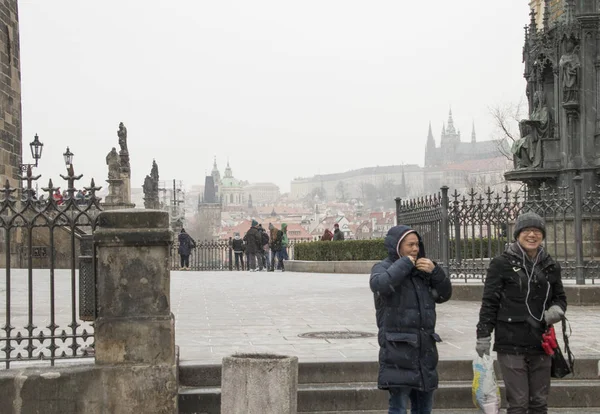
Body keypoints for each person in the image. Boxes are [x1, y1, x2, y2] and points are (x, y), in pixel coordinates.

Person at [476, 212, 567, 414]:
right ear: (517, 234)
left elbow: (560, 296)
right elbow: (490, 302)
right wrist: (483, 334)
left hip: (541, 341)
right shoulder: (501, 264)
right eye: (527, 231)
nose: (532, 235)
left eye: (537, 231)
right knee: (518, 403)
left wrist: (557, 309)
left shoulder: (551, 265)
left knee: (539, 402)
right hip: (510, 341)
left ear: (542, 235)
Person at [370, 225, 452, 414]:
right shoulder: (382, 267)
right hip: (398, 351)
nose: (415, 249)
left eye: (417, 244)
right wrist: (405, 263)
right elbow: (380, 285)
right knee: (398, 406)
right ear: (397, 246)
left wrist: (436, 272)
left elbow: (444, 294)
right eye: (410, 245)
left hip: (424, 350)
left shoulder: (423, 269)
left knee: (424, 407)